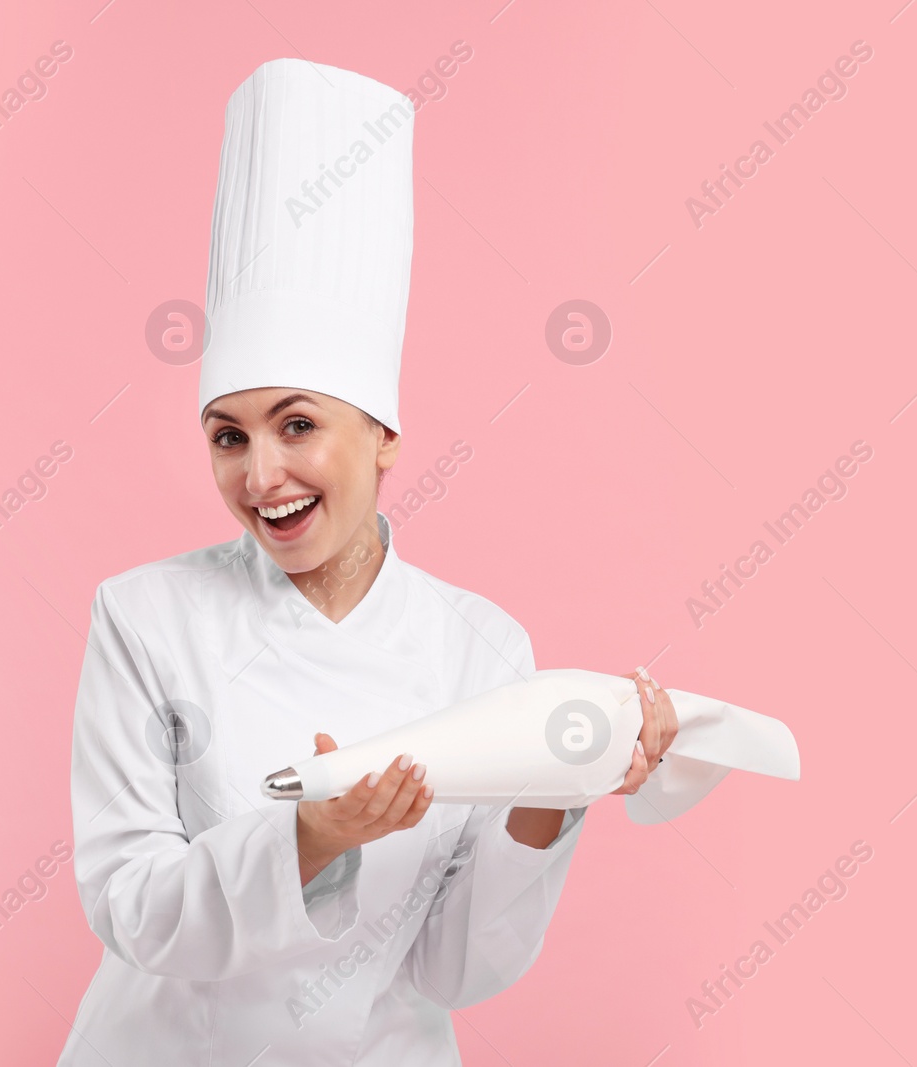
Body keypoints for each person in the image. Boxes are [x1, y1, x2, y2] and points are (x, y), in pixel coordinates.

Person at [56, 58, 678, 1066]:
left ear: (384, 434)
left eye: (296, 424)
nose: (261, 475)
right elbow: (133, 907)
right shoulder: (143, 617)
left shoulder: (480, 645)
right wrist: (309, 839)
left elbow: (449, 970)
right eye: (227, 435)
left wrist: (556, 782)